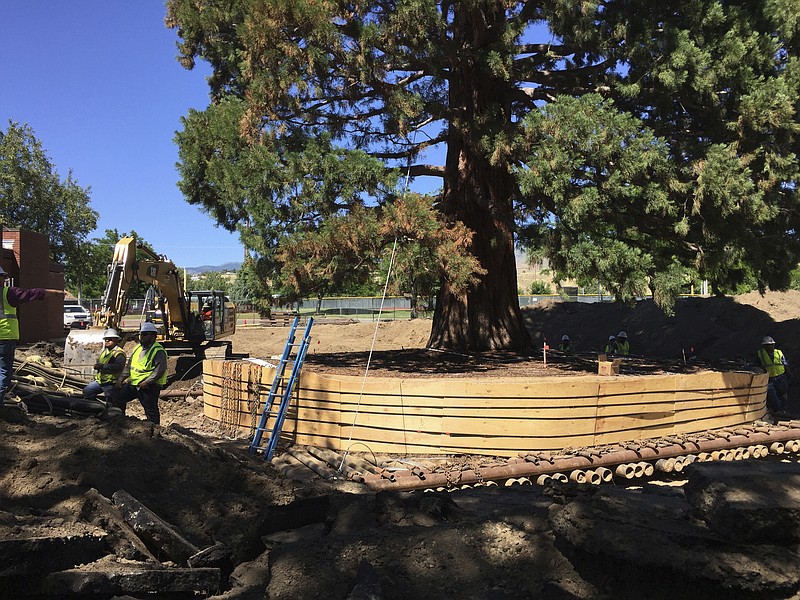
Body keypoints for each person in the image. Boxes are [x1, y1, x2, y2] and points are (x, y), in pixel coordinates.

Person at [0, 266, 62, 408]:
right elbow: (32, 293)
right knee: (4, 372)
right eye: (3, 277)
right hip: (5, 337)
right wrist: (55, 292)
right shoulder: (8, 293)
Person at [109, 321, 167, 424]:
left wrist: (147, 382)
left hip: (149, 386)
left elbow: (159, 370)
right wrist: (120, 379)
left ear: (153, 336)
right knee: (117, 397)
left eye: (145, 334)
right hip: (135, 383)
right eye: (141, 334)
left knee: (150, 409)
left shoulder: (158, 350)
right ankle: (120, 421)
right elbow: (129, 366)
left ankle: (154, 430)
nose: (142, 337)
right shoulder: (137, 348)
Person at [82, 328, 126, 403]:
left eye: (109, 339)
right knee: (88, 391)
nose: (107, 341)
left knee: (111, 401)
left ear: (116, 340)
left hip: (111, 383)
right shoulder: (105, 352)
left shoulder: (119, 353)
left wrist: (102, 366)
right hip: (100, 382)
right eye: (106, 339)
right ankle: (94, 409)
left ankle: (112, 412)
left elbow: (118, 367)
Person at [757, 336, 790, 418]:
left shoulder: (778, 352)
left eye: (771, 345)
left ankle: (783, 410)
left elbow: (784, 362)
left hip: (781, 376)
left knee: (783, 394)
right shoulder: (760, 354)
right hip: (769, 378)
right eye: (768, 345)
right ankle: (777, 409)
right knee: (771, 394)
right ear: (764, 346)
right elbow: (759, 365)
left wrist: (788, 372)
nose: (770, 346)